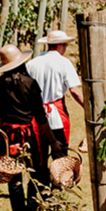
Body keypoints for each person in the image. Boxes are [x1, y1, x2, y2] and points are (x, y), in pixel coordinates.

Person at [0, 44, 66, 211]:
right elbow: (41, 117)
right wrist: (53, 141)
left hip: (7, 137)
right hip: (31, 136)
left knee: (13, 178)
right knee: (37, 175)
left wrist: (0, 128)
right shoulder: (30, 83)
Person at [24, 30, 84, 162]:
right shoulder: (64, 63)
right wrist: (87, 107)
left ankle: (39, 181)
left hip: (35, 117)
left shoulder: (32, 63)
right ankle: (58, 181)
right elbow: (74, 90)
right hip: (57, 116)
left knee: (38, 157)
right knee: (60, 157)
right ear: (60, 45)